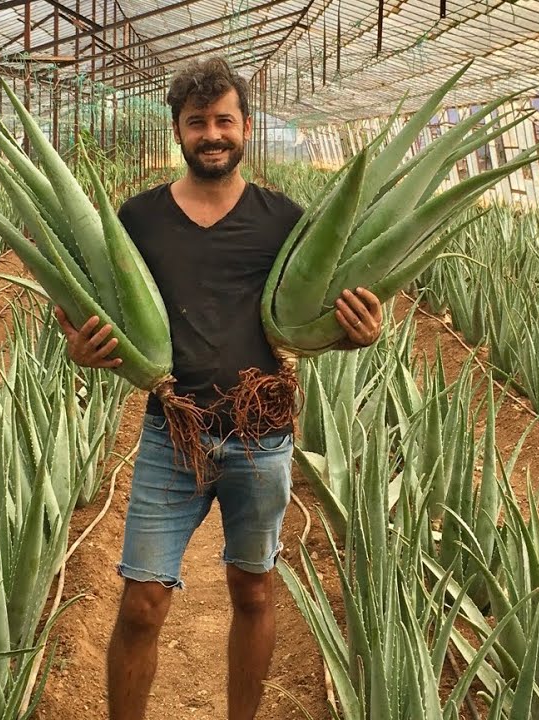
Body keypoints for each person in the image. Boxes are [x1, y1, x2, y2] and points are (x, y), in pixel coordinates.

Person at [53, 57, 384, 720]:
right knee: (143, 600)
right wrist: (82, 351)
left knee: (255, 591)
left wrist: (357, 332)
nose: (211, 134)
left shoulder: (285, 221)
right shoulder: (137, 221)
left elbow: (314, 317)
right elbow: (100, 318)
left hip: (261, 439)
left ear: (246, 129)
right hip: (169, 435)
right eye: (197, 122)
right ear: (177, 132)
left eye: (223, 121)